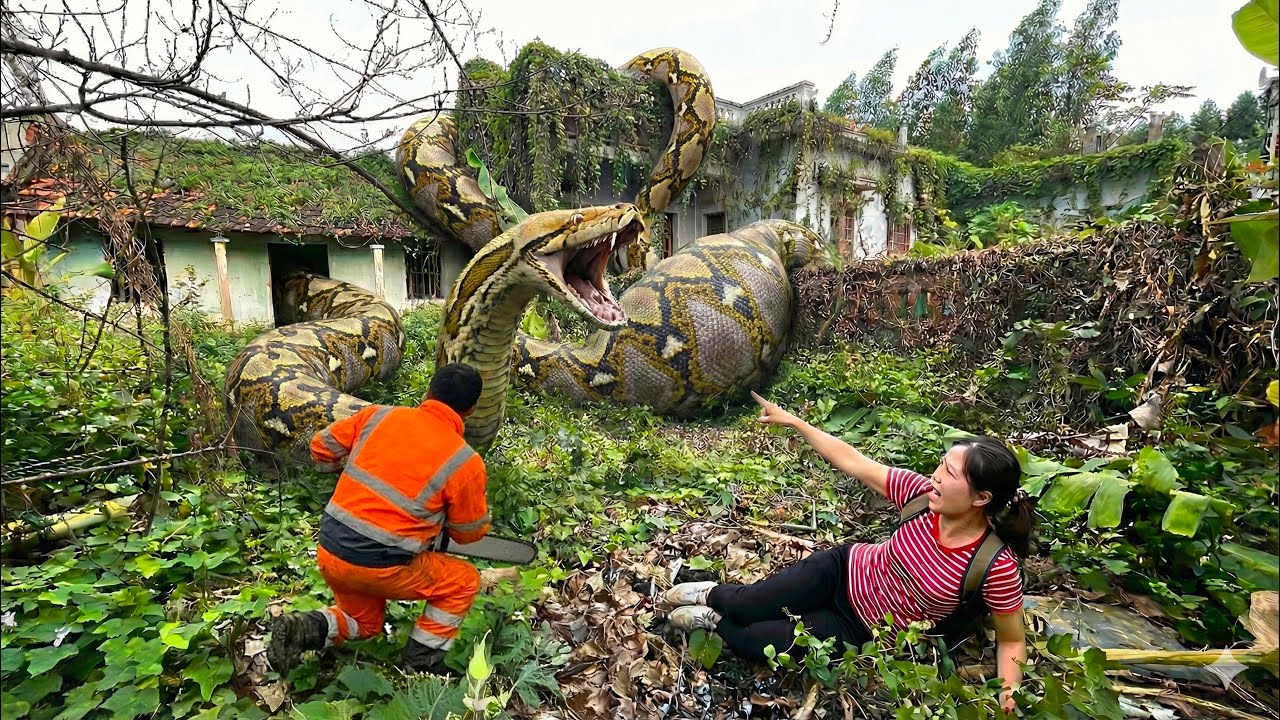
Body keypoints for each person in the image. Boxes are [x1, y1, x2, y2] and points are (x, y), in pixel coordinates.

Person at [660, 391, 1033, 712]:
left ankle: (711, 619)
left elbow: (1013, 639)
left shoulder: (992, 565)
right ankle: (709, 592)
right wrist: (797, 423)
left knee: (753, 640)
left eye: (949, 474)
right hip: (842, 570)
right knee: (745, 604)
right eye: (941, 464)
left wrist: (1008, 693)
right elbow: (854, 461)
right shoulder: (919, 494)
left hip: (860, 628)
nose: (936, 475)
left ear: (981, 498)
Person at [267, 363, 491, 675]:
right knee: (463, 581)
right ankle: (422, 663)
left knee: (365, 623)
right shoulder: (465, 462)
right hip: (381, 566)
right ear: (471, 409)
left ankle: (298, 629)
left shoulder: (379, 415)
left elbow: (321, 445)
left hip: (331, 551)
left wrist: (336, 470)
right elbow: (468, 535)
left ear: (429, 392)